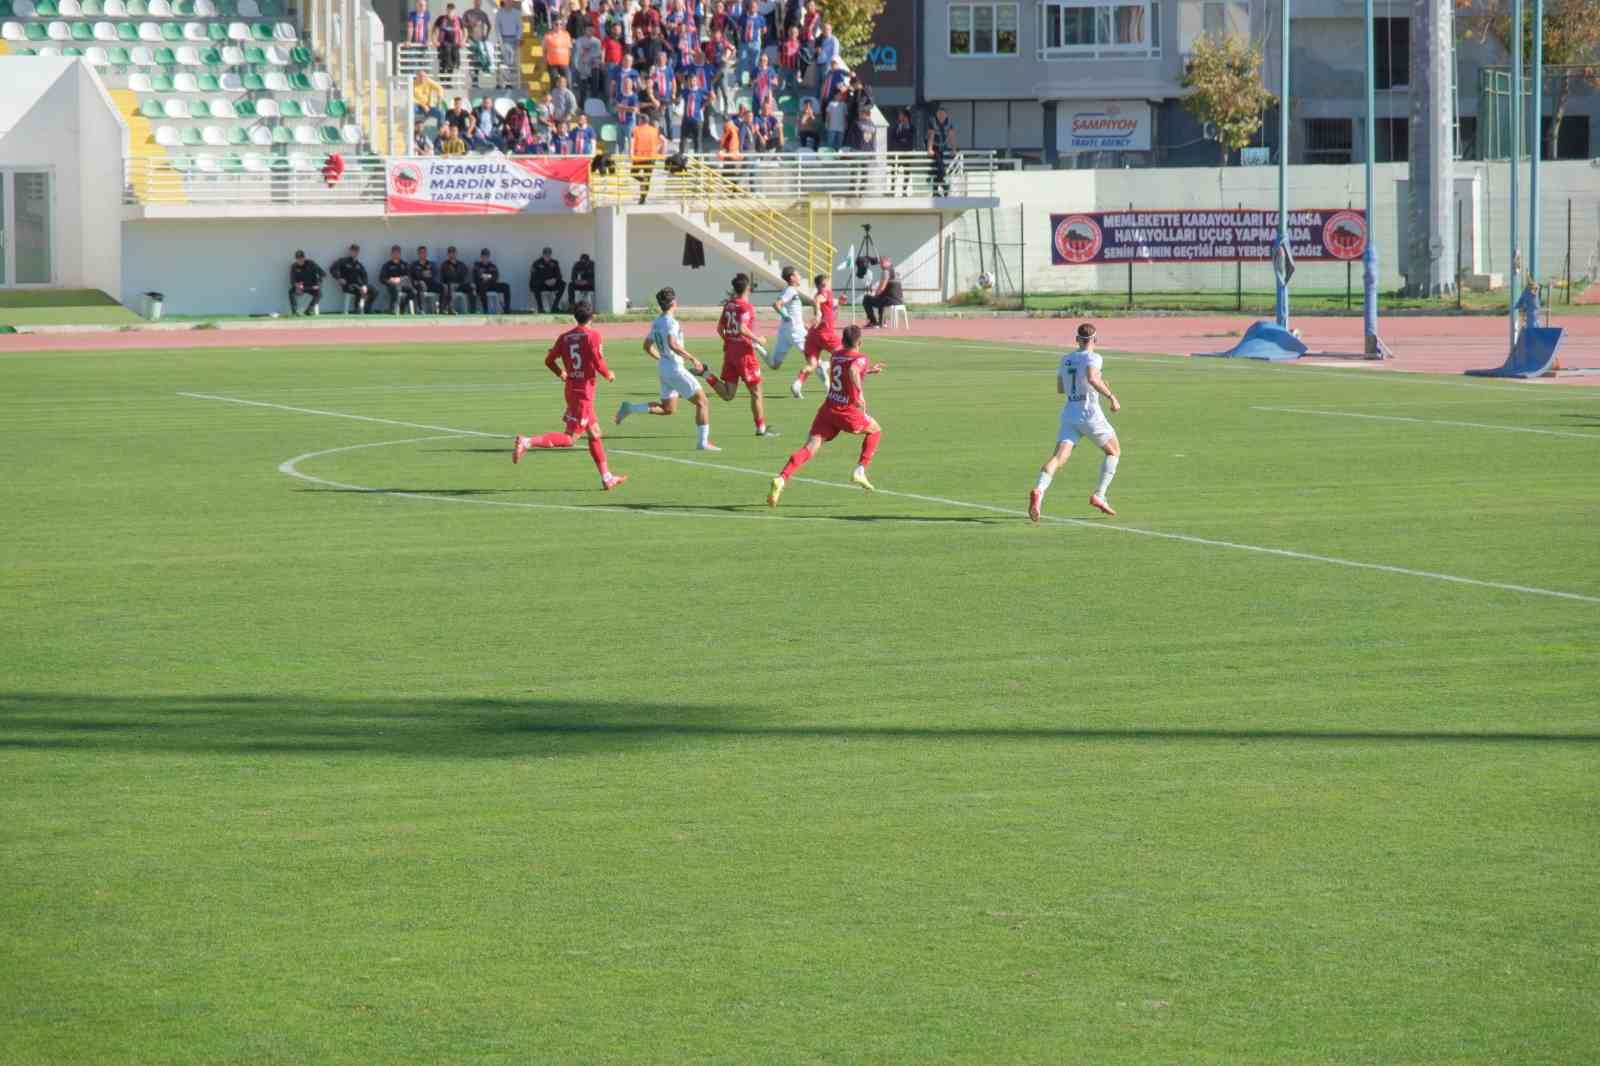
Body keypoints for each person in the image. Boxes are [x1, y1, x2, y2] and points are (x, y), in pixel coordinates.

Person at [512, 302, 628, 491]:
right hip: (583, 394)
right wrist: (609, 375)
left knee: (595, 433)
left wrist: (561, 373)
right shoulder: (593, 335)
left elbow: (549, 360)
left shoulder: (564, 337)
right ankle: (527, 442)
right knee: (570, 438)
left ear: (575, 316)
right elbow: (598, 362)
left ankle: (607, 478)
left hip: (572, 389)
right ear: (593, 316)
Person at [766, 324, 884, 505]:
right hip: (847, 411)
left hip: (828, 410)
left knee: (809, 447)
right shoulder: (861, 358)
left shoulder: (835, 355)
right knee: (875, 430)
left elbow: (846, 370)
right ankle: (860, 470)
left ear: (843, 340)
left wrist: (869, 371)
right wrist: (859, 393)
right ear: (860, 342)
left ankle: (782, 478)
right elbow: (853, 370)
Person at [1029, 322, 1122, 521]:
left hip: (1070, 413)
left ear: (1077, 339)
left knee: (1058, 458)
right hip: (1089, 414)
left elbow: (1061, 388)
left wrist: (1091, 383)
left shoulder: (1065, 359)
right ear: (1095, 340)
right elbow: (1092, 378)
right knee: (1114, 451)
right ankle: (1099, 495)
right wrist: (1111, 396)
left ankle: (1039, 490)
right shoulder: (1094, 357)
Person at [615, 286, 720, 451]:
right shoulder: (671, 322)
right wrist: (692, 358)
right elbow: (673, 344)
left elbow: (647, 346)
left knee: (668, 409)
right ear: (674, 302)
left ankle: (630, 408)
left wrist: (662, 358)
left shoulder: (657, 322)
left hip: (664, 368)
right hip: (675, 368)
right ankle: (703, 443)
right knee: (703, 402)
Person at [704, 273, 776, 436]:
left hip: (730, 353)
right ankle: (761, 428)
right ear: (747, 288)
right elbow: (742, 328)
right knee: (756, 391)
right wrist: (758, 339)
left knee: (728, 394)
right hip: (745, 355)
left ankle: (706, 374)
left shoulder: (729, 305)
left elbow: (719, 329)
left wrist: (729, 340)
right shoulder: (746, 307)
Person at [792, 271, 837, 398]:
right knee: (843, 352)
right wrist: (818, 312)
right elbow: (818, 300)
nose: (827, 285)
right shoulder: (824, 293)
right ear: (821, 285)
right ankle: (827, 365)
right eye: (825, 283)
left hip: (813, 335)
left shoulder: (824, 295)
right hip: (825, 334)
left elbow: (828, 310)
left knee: (812, 365)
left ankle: (797, 384)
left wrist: (840, 302)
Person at [767, 264, 811, 373]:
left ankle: (758, 347)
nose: (800, 277)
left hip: (785, 331)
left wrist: (803, 323)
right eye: (798, 274)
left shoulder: (788, 290)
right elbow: (777, 304)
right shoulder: (790, 290)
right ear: (792, 278)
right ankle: (827, 381)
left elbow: (791, 310)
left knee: (775, 365)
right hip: (795, 331)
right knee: (813, 359)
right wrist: (785, 316)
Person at [329, 244, 374, 313]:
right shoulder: (343, 261)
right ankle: (357, 308)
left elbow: (364, 276)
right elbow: (333, 269)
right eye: (353, 251)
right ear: (350, 251)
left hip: (359, 285)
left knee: (374, 291)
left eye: (356, 251)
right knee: (359, 290)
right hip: (348, 285)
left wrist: (364, 285)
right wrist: (339, 278)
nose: (355, 252)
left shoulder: (359, 264)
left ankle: (366, 308)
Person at [630, 116, 663, 204]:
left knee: (633, 173)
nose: (638, 121)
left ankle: (642, 181)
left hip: (639, 157)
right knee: (647, 178)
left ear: (641, 121)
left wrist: (631, 153)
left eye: (639, 120)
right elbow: (661, 142)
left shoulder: (636, 130)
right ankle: (643, 198)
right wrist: (657, 151)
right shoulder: (654, 130)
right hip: (651, 158)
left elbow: (632, 142)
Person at [861, 257, 902, 328]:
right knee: (880, 298)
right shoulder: (895, 271)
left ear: (888, 262)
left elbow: (882, 288)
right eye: (880, 263)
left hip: (890, 299)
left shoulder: (886, 271)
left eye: (883, 263)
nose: (881, 265)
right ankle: (882, 322)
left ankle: (873, 322)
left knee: (866, 299)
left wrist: (875, 294)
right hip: (899, 300)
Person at [928, 103, 956, 196]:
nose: (941, 116)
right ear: (937, 114)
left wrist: (953, 149)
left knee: (938, 170)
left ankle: (936, 191)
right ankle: (944, 187)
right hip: (935, 147)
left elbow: (952, 136)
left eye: (943, 114)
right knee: (941, 168)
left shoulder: (949, 122)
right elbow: (931, 135)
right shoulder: (932, 121)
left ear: (946, 115)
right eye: (939, 114)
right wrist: (930, 148)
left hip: (943, 147)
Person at [378, 245, 416, 313]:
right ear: (391, 254)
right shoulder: (387, 265)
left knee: (414, 292)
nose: (396, 254)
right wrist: (390, 280)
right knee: (396, 289)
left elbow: (409, 277)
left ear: (400, 254)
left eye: (397, 253)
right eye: (394, 253)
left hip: (403, 285)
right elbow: (381, 278)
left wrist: (400, 279)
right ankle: (393, 309)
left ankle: (402, 305)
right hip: (392, 286)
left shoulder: (405, 264)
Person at [472, 247, 511, 312]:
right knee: (481, 286)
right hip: (481, 286)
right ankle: (486, 310)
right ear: (481, 257)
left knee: (506, 286)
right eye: (483, 256)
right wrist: (489, 276)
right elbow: (477, 276)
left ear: (489, 257)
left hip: (491, 285)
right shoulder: (477, 265)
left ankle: (507, 309)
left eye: (486, 256)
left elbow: (495, 277)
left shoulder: (492, 266)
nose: (485, 258)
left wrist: (485, 276)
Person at [529, 247, 566, 313]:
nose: (547, 256)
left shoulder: (554, 262)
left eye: (549, 254)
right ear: (543, 254)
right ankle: (540, 308)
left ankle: (554, 307)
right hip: (541, 284)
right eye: (546, 254)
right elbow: (534, 277)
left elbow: (559, 275)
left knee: (563, 284)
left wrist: (554, 279)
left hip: (552, 284)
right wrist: (544, 281)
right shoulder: (536, 263)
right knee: (535, 285)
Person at [494, 0, 522, 88]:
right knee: (507, 60)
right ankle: (506, 82)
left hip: (514, 39)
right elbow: (497, 27)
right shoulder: (499, 13)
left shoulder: (517, 13)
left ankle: (505, 82)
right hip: (504, 39)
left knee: (511, 61)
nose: (509, 2)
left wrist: (518, 38)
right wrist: (500, 40)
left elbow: (520, 27)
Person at [888, 108, 916, 194]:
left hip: (907, 153)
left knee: (907, 172)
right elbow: (892, 138)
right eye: (899, 115)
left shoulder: (911, 127)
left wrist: (902, 140)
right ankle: (892, 189)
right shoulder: (896, 126)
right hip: (897, 152)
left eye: (901, 115)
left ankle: (904, 190)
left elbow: (910, 139)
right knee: (894, 170)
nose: (899, 117)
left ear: (906, 116)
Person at [288, 249, 324, 315]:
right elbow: (292, 280)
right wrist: (297, 285)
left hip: (312, 286)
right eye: (298, 259)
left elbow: (322, 274)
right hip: (301, 286)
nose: (300, 260)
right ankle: (294, 311)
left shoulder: (311, 263)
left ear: (304, 258)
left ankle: (309, 310)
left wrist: (318, 285)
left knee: (319, 294)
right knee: (291, 292)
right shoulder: (294, 266)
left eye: (301, 258)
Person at [433, 2, 463, 75]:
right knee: (443, 64)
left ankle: (449, 80)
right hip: (443, 45)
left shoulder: (458, 19)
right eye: (448, 10)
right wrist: (434, 40)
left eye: (452, 11)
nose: (450, 12)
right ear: (446, 10)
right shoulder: (441, 18)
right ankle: (442, 80)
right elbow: (435, 30)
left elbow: (465, 30)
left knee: (451, 65)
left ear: (454, 11)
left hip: (454, 45)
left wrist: (463, 41)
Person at [543, 19, 573, 90]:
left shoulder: (566, 35)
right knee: (554, 83)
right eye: (556, 24)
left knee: (568, 83)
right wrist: (545, 61)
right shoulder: (547, 36)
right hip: (552, 64)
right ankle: (553, 97)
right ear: (553, 25)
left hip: (564, 63)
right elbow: (544, 50)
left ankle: (568, 96)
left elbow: (569, 48)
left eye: (560, 24)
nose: (558, 26)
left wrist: (570, 60)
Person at [439, 246, 471, 313]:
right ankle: (450, 308)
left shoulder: (461, 264)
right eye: (450, 253)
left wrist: (464, 282)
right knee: (451, 286)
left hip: (460, 284)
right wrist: (444, 284)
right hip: (450, 285)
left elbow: (466, 275)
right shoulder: (445, 265)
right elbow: (443, 277)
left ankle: (473, 309)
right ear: (448, 254)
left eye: (453, 253)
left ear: (456, 253)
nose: (452, 254)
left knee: (472, 287)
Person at [410, 245, 441, 311]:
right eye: (421, 252)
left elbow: (435, 275)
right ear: (418, 254)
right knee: (420, 285)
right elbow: (411, 277)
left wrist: (428, 275)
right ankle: (421, 309)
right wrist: (420, 278)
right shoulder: (414, 265)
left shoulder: (431, 264)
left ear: (426, 254)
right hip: (419, 286)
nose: (422, 254)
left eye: (424, 252)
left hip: (430, 285)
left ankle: (442, 308)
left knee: (443, 287)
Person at [823, 85, 847, 149]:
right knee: (830, 143)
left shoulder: (844, 105)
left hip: (841, 127)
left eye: (841, 95)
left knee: (840, 143)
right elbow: (828, 114)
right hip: (832, 127)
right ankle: (829, 153)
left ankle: (838, 153)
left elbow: (845, 116)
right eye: (838, 95)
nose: (839, 96)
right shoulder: (831, 104)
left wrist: (845, 125)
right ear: (834, 96)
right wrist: (827, 123)